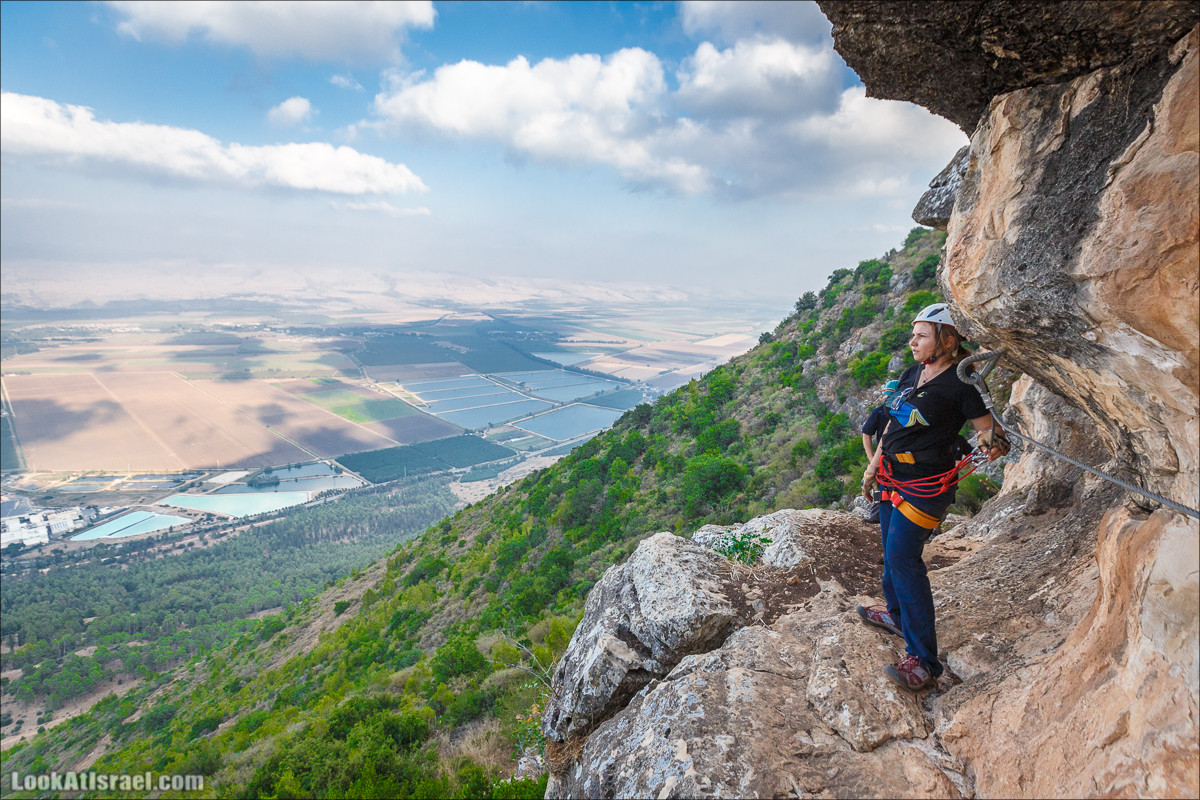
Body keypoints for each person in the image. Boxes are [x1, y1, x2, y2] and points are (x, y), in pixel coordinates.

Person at [856, 303, 1009, 692]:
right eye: (914, 334)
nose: (912, 342)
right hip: (893, 474)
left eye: (921, 335)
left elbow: (989, 433)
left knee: (904, 561)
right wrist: (873, 466)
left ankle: (924, 661)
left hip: (926, 486)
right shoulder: (915, 372)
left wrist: (993, 443)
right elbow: (892, 420)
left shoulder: (964, 382)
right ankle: (897, 615)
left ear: (948, 339)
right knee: (890, 554)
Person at [860, 380, 899, 524]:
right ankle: (877, 514)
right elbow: (866, 434)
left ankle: (882, 515)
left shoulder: (898, 412)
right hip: (884, 456)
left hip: (896, 455)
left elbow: (866, 434)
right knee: (879, 486)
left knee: (886, 486)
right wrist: (872, 459)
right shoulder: (879, 412)